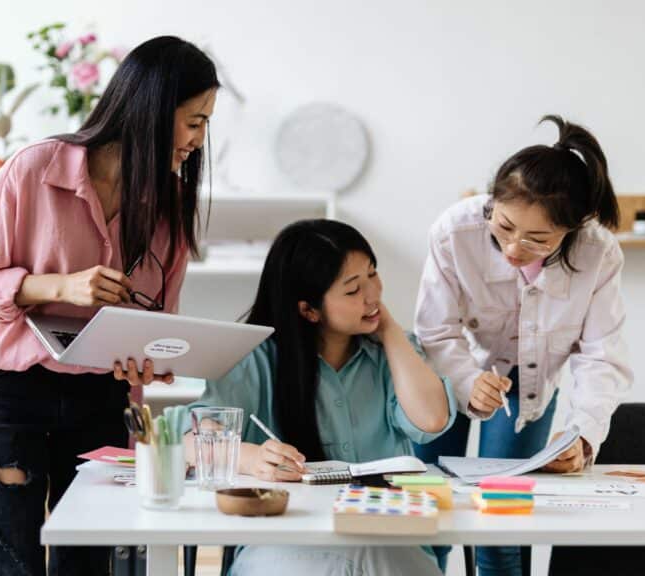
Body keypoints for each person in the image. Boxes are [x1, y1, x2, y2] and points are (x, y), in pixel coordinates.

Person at [0, 36, 219, 576]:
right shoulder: (33, 169)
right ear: (153, 109)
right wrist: (60, 286)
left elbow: (154, 320)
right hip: (6, 393)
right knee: (10, 563)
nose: (200, 140)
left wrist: (144, 356)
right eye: (194, 121)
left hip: (97, 395)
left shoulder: (169, 205)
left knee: (85, 565)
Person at [413, 115, 634, 576]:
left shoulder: (599, 254)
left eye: (538, 240)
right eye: (506, 226)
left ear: (571, 231)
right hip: (444, 371)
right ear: (492, 201)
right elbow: (436, 330)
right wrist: (467, 380)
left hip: (529, 387)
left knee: (503, 527)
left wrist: (583, 435)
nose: (514, 248)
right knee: (427, 518)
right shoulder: (455, 231)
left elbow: (601, 357)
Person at [185, 219, 457, 575]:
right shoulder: (254, 358)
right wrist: (252, 458)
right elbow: (192, 440)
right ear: (308, 309)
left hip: (386, 535)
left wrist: (389, 329)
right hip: (286, 539)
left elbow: (431, 419)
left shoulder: (394, 354)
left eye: (373, 275)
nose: (373, 295)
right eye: (352, 290)